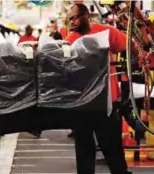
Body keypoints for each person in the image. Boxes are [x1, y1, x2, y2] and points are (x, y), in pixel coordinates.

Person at [65, 3, 132, 174]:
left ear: (86, 15)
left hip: (107, 103)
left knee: (113, 150)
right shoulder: (70, 41)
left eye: (74, 18)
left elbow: (128, 46)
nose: (71, 22)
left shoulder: (107, 31)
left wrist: (125, 77)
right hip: (82, 105)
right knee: (84, 152)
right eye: (69, 19)